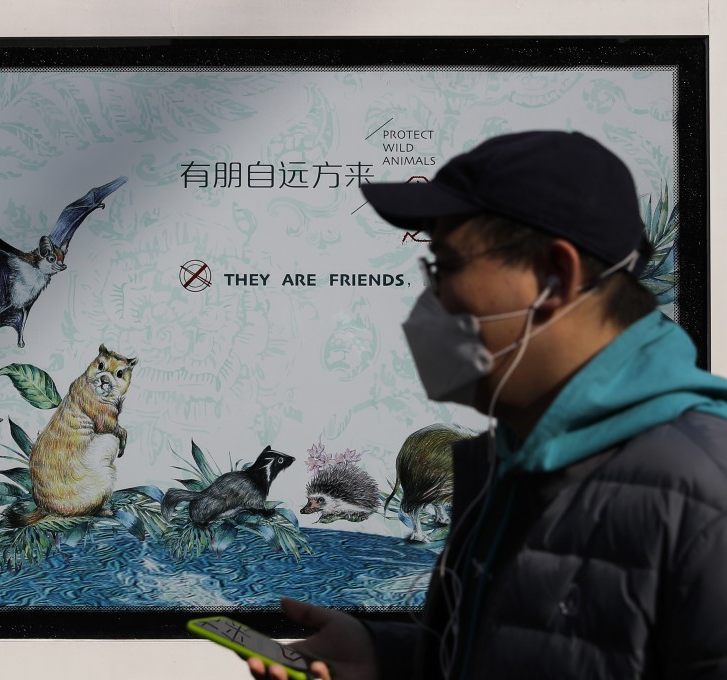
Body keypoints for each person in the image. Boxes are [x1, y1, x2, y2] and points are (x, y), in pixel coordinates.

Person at [246, 130, 727, 680]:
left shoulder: (703, 495)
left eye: (446, 268)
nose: (434, 299)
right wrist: (390, 658)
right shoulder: (512, 465)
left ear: (554, 277)